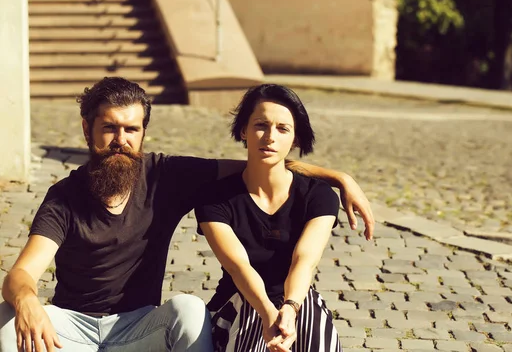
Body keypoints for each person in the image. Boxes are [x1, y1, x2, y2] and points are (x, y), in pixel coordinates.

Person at [0, 77, 374, 352]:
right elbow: (20, 274)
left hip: (139, 328)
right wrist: (28, 300)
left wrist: (338, 177)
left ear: (143, 132)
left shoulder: (166, 175)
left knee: (190, 310)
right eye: (109, 128)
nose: (121, 139)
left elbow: (260, 161)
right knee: (7, 320)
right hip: (71, 331)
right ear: (87, 129)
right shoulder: (64, 197)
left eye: (131, 129)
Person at [197, 84, 345, 352]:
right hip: (237, 302)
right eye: (261, 125)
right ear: (244, 130)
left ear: (295, 138)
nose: (270, 137)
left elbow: (305, 260)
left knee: (306, 307)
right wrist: (268, 312)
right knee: (255, 313)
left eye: (282, 128)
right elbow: (238, 267)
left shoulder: (319, 197)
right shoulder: (214, 198)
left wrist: (289, 308)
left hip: (297, 300)